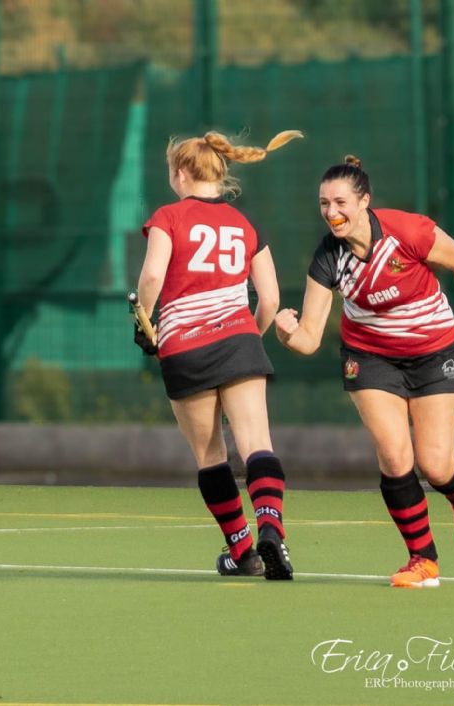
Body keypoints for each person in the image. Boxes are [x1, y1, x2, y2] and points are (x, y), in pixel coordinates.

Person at [274, 155, 454, 588]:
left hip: (433, 350)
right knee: (395, 456)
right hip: (370, 356)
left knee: (434, 463)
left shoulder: (407, 231)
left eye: (340, 203)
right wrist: (285, 332)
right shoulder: (328, 258)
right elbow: (309, 338)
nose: (331, 213)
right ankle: (422, 559)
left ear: (365, 201)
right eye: (323, 204)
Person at [134, 128, 303, 580]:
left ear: (181, 173)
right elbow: (268, 299)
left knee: (210, 455)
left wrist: (143, 322)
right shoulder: (245, 224)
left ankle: (242, 550)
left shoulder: (168, 217)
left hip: (184, 347)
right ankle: (272, 529)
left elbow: (151, 278)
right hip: (238, 342)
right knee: (256, 444)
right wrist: (251, 338)